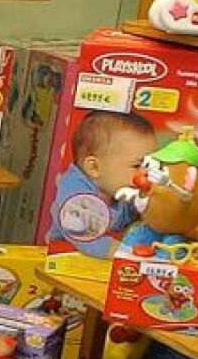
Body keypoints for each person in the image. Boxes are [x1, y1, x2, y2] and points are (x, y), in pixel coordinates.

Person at [46, 110, 155, 259]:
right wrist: (130, 254)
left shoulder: (120, 188)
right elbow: (86, 237)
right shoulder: (74, 191)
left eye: (149, 166)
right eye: (136, 166)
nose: (145, 175)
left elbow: (145, 215)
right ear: (94, 168)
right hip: (67, 258)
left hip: (105, 262)